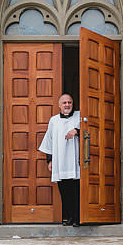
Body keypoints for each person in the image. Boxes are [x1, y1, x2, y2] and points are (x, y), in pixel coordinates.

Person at [38, 93, 81, 226]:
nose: (67, 105)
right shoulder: (54, 120)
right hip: (60, 161)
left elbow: (89, 129)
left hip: (74, 161)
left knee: (76, 191)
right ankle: (69, 217)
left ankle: (78, 218)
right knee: (64, 191)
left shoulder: (79, 116)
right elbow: (49, 140)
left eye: (69, 102)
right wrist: (50, 160)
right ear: (59, 105)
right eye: (64, 103)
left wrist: (76, 130)